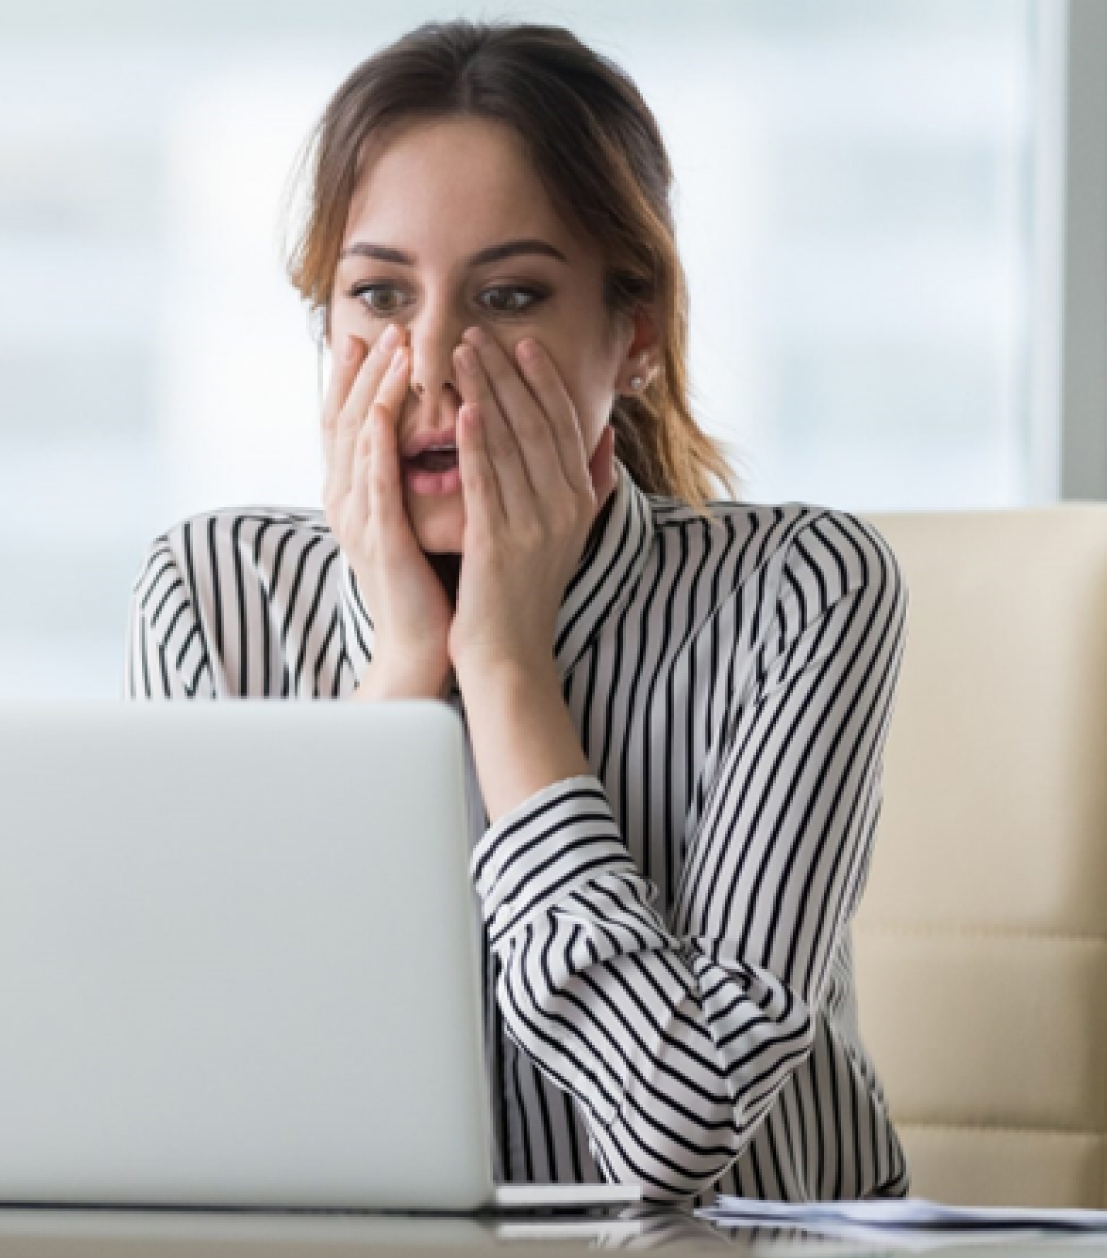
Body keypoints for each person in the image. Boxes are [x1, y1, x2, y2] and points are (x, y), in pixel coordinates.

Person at [125, 18, 909, 1207]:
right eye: (379, 294)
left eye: (508, 295)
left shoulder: (801, 589)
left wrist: (502, 671)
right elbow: (204, 1098)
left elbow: (675, 1131)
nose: (432, 361)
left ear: (633, 336)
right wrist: (398, 676)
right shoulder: (214, 595)